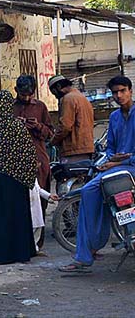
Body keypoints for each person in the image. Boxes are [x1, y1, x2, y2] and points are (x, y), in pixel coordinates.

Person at [60, 76, 135, 273]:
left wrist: (121, 160)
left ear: (130, 91)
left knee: (93, 189)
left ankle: (90, 249)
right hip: (117, 169)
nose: (119, 96)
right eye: (115, 92)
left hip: (129, 168)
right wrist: (110, 160)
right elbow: (111, 147)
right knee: (91, 192)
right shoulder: (114, 117)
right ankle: (89, 250)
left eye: (122, 91)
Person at [0, 91, 37, 265]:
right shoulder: (15, 126)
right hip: (15, 181)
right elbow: (28, 152)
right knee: (17, 215)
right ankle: (20, 253)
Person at [12, 75, 54, 248]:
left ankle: (38, 242)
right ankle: (22, 242)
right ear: (16, 92)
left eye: (29, 94)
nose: (26, 98)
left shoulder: (41, 107)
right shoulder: (10, 108)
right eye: (23, 94)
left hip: (38, 157)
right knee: (19, 202)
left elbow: (51, 134)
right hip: (16, 159)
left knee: (40, 202)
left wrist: (37, 126)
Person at [49, 75, 95, 162]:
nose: (55, 96)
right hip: (86, 147)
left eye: (54, 92)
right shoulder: (81, 97)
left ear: (58, 87)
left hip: (74, 149)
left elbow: (65, 126)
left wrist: (53, 141)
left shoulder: (68, 99)